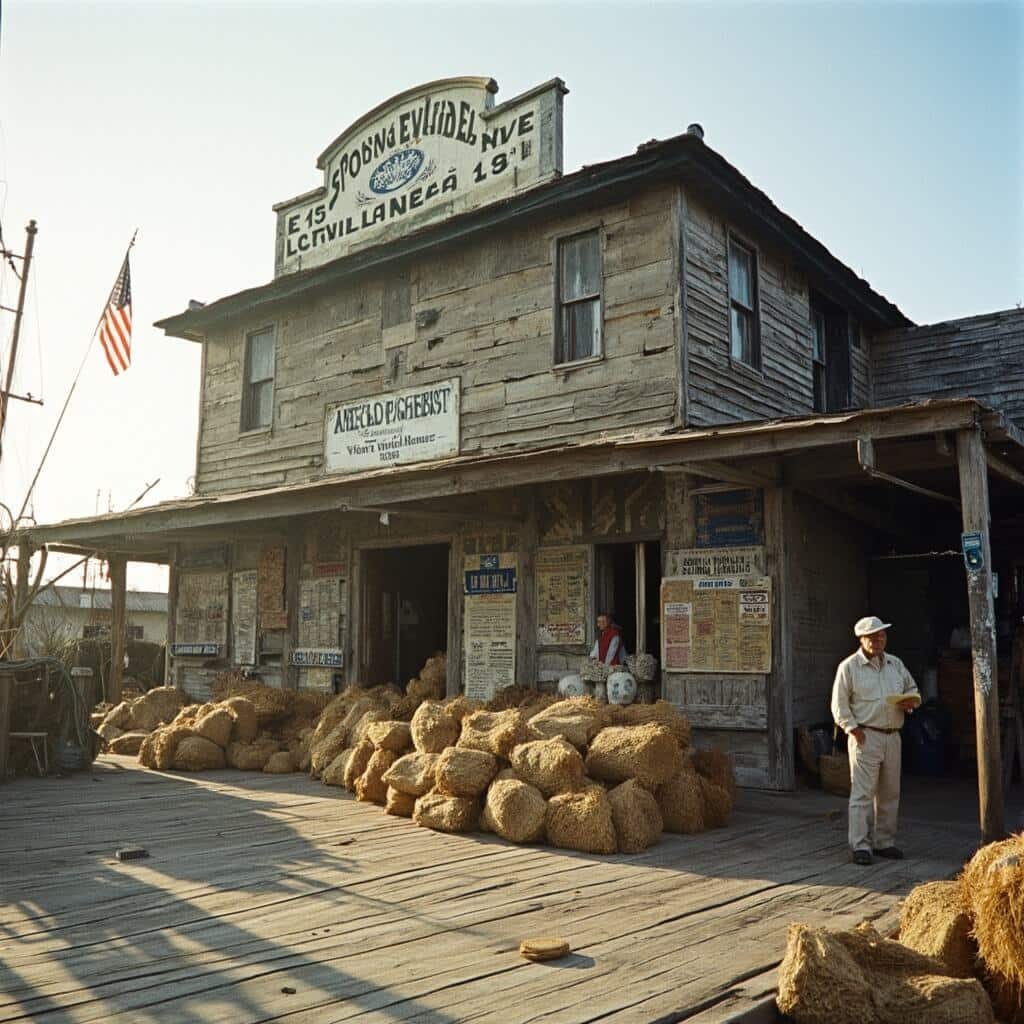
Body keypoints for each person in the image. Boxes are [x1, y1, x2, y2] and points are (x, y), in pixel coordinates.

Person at [831, 616, 921, 866]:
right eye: (872, 636)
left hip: (893, 735)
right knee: (862, 794)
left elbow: (912, 689)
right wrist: (853, 729)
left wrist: (911, 702)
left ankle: (884, 842)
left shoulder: (895, 664)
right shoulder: (848, 667)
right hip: (865, 735)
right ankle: (860, 845)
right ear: (861, 640)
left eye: (881, 635)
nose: (878, 640)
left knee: (890, 792)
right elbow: (839, 705)